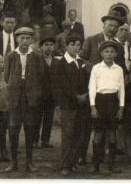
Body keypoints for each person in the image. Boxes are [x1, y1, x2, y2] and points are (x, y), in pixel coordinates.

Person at [3, 26, 44, 172]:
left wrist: (34, 92)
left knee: (29, 130)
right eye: (22, 38)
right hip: (15, 98)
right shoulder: (11, 56)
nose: (25, 41)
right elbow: (6, 76)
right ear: (17, 39)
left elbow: (40, 76)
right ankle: (13, 162)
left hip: (30, 99)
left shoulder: (36, 56)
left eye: (27, 38)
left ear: (31, 40)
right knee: (13, 130)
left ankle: (29, 162)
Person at [51, 33, 89, 176]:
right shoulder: (60, 63)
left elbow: (86, 81)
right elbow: (60, 84)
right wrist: (75, 96)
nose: (75, 47)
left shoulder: (81, 62)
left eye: (78, 45)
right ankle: (65, 165)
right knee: (68, 135)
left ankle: (73, 162)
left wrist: (85, 95)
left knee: (78, 135)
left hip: (82, 104)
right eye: (72, 44)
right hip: (68, 105)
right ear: (66, 46)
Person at [88, 41, 125, 174]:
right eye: (106, 51)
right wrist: (93, 106)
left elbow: (122, 90)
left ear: (116, 54)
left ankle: (112, 165)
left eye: (112, 52)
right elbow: (92, 88)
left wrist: (121, 107)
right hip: (100, 101)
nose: (109, 54)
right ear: (101, 53)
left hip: (113, 102)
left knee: (112, 134)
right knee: (98, 133)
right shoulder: (96, 68)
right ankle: (95, 164)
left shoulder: (119, 69)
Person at [34, 31, 56, 149]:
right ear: (41, 47)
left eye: (51, 45)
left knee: (49, 118)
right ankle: (34, 140)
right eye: (46, 45)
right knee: (37, 118)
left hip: (51, 96)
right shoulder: (36, 60)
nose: (49, 47)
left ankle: (45, 140)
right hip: (39, 94)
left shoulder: (57, 61)